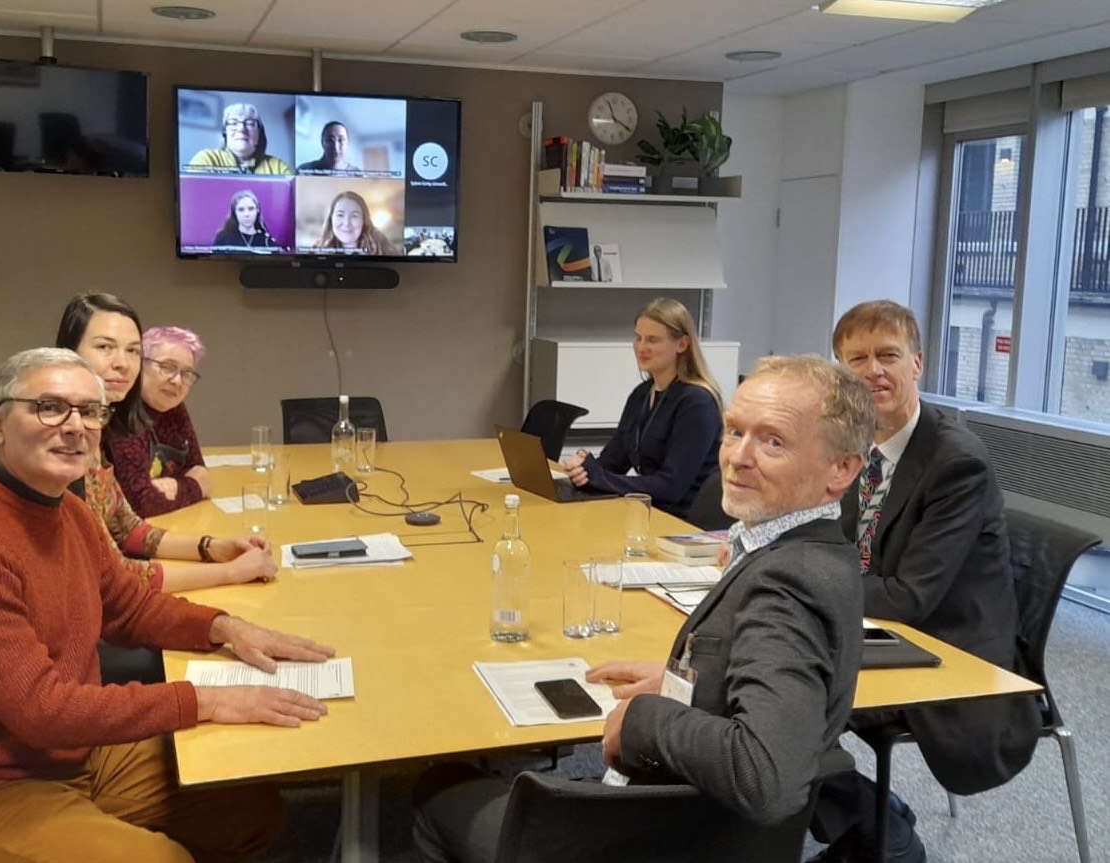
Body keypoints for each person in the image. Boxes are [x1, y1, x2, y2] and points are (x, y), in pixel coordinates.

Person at [0, 347, 334, 863]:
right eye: (50, 407)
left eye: (90, 412)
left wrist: (225, 627)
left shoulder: (67, 509)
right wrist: (204, 700)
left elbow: (128, 608)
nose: (75, 426)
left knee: (249, 808)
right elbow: (42, 710)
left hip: (69, 755)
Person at [412, 354, 874, 863]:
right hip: (706, 822)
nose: (737, 457)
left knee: (440, 786)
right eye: (734, 431)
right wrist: (692, 681)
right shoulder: (823, 551)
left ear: (842, 468)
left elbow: (766, 776)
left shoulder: (786, 584)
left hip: (672, 834)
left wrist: (643, 720)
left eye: (773, 442)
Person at [812, 300, 1041, 863]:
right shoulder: (857, 449)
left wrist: (805, 583)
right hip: (882, 627)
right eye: (857, 359)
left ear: (918, 363)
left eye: (888, 355)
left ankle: (880, 834)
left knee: (787, 688)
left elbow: (910, 598)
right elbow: (842, 550)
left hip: (949, 651)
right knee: (757, 665)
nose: (874, 371)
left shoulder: (954, 462)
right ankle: (874, 819)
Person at [57, 293, 277, 591]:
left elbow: (127, 527)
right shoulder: (61, 440)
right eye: (105, 347)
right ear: (69, 352)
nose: (122, 363)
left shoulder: (99, 425)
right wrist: (230, 573)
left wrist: (212, 548)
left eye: (132, 350)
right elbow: (109, 576)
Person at [561, 298, 722, 517]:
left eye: (653, 340)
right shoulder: (642, 394)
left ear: (682, 344)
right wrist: (583, 470)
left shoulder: (697, 402)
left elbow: (671, 487)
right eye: (638, 338)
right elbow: (611, 463)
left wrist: (600, 477)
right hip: (649, 511)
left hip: (684, 520)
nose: (642, 347)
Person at [108, 325, 210, 517]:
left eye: (186, 373)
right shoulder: (123, 409)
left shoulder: (175, 406)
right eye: (167, 367)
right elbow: (140, 502)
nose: (177, 381)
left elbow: (197, 468)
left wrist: (176, 486)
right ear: (140, 365)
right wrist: (194, 486)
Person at [188, 103, 293, 175]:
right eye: (233, 123)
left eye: (250, 124)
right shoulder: (206, 159)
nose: (241, 129)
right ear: (225, 133)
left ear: (259, 134)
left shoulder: (278, 167)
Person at [317, 190, 399, 255]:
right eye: (340, 215)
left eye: (354, 216)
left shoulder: (381, 244)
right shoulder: (317, 249)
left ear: (363, 220)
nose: (346, 223)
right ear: (331, 218)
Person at [212, 189, 279, 251]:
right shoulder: (223, 238)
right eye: (241, 210)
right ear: (235, 213)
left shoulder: (266, 240)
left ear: (257, 210)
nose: (246, 214)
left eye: (251, 209)